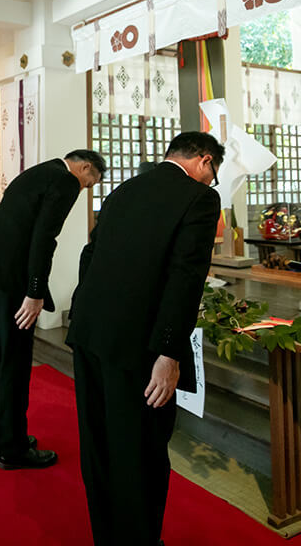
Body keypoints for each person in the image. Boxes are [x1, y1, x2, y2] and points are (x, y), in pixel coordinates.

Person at [66, 131, 222, 545]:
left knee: (99, 445)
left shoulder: (124, 190)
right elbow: (185, 279)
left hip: (90, 332)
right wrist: (169, 353)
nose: (210, 183)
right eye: (213, 174)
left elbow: (90, 255)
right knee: (141, 451)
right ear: (205, 161)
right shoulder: (200, 199)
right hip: (140, 347)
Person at [0, 148, 106, 469]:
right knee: (15, 362)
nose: (85, 189)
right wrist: (34, 292)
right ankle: (14, 449)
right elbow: (44, 238)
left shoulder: (37, 171)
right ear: (85, 167)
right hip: (13, 282)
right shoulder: (64, 182)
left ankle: (1, 440)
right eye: (90, 183)